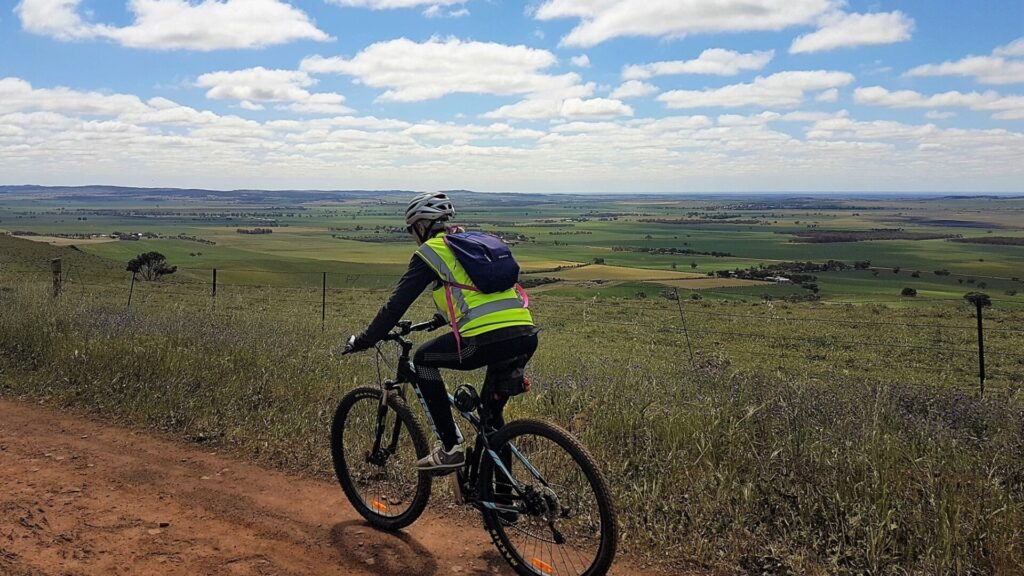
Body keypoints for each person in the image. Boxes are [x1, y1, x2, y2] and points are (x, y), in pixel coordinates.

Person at [344, 192, 538, 473]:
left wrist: (364, 339)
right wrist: (441, 318)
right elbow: (473, 294)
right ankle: (503, 507)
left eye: (412, 230)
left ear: (421, 226)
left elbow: (395, 305)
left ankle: (450, 447)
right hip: (524, 334)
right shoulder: (469, 245)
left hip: (484, 340)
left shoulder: (431, 251)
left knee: (423, 359)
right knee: (491, 420)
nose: (413, 236)